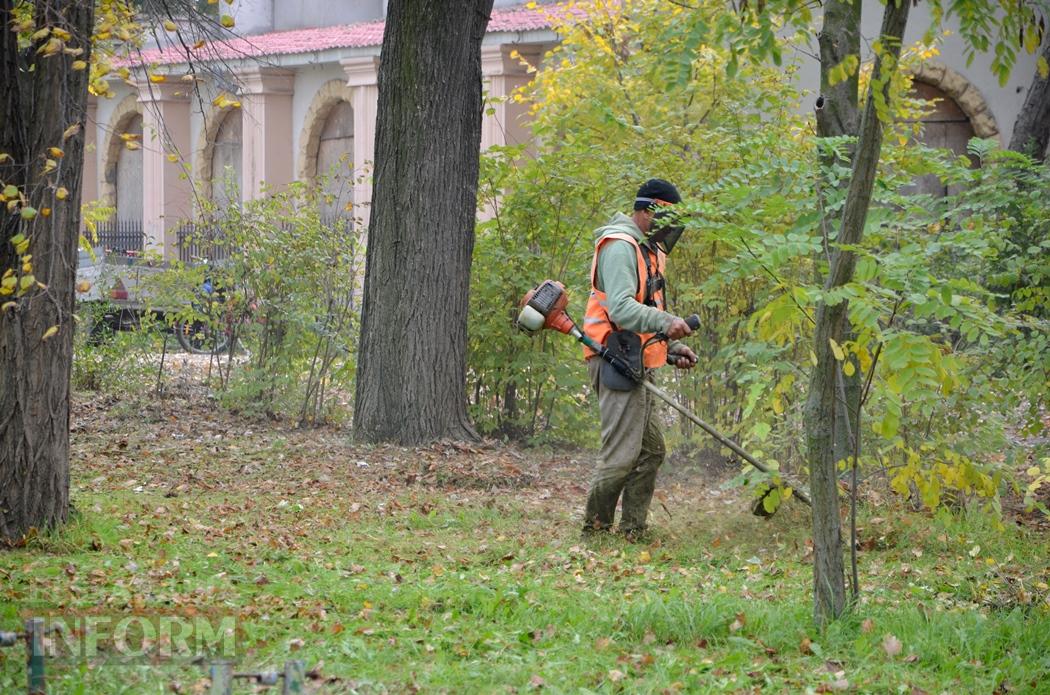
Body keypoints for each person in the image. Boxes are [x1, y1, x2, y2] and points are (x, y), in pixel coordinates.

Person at [581, 178, 698, 537]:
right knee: (619, 457)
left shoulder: (649, 249)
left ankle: (633, 529)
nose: (673, 228)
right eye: (668, 217)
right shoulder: (620, 246)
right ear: (649, 211)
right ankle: (595, 530)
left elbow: (646, 311)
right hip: (612, 356)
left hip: (637, 357)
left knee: (650, 451)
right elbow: (621, 309)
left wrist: (671, 344)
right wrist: (668, 321)